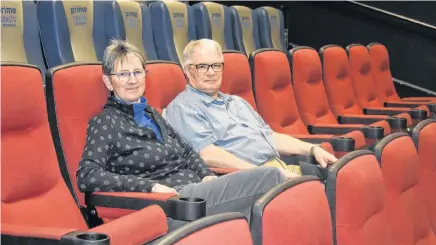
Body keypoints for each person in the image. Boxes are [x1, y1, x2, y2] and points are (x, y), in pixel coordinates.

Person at [76, 39, 287, 226]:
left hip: (195, 194)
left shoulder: (152, 114)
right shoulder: (105, 122)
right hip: (170, 206)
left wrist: (206, 176)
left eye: (137, 72)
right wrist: (150, 187)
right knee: (269, 178)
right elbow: (87, 175)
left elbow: (187, 152)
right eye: (123, 74)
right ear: (108, 81)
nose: (132, 80)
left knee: (257, 212)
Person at [164, 39, 338, 179]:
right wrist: (264, 174)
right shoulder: (184, 107)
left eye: (217, 65)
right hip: (249, 178)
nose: (211, 73)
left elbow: (270, 137)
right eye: (202, 67)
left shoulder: (236, 102)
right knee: (322, 196)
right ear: (187, 71)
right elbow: (207, 155)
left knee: (341, 177)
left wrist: (313, 149)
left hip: (279, 167)